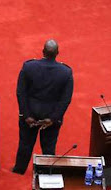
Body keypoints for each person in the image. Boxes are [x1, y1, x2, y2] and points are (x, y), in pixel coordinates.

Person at [12, 40, 74, 174]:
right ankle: (47, 174)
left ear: (43, 52)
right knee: (49, 147)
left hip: (30, 114)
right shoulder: (66, 72)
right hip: (51, 117)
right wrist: (53, 118)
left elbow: (21, 92)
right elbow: (65, 100)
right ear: (57, 53)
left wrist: (26, 114)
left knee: (25, 144)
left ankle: (19, 170)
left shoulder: (29, 67)